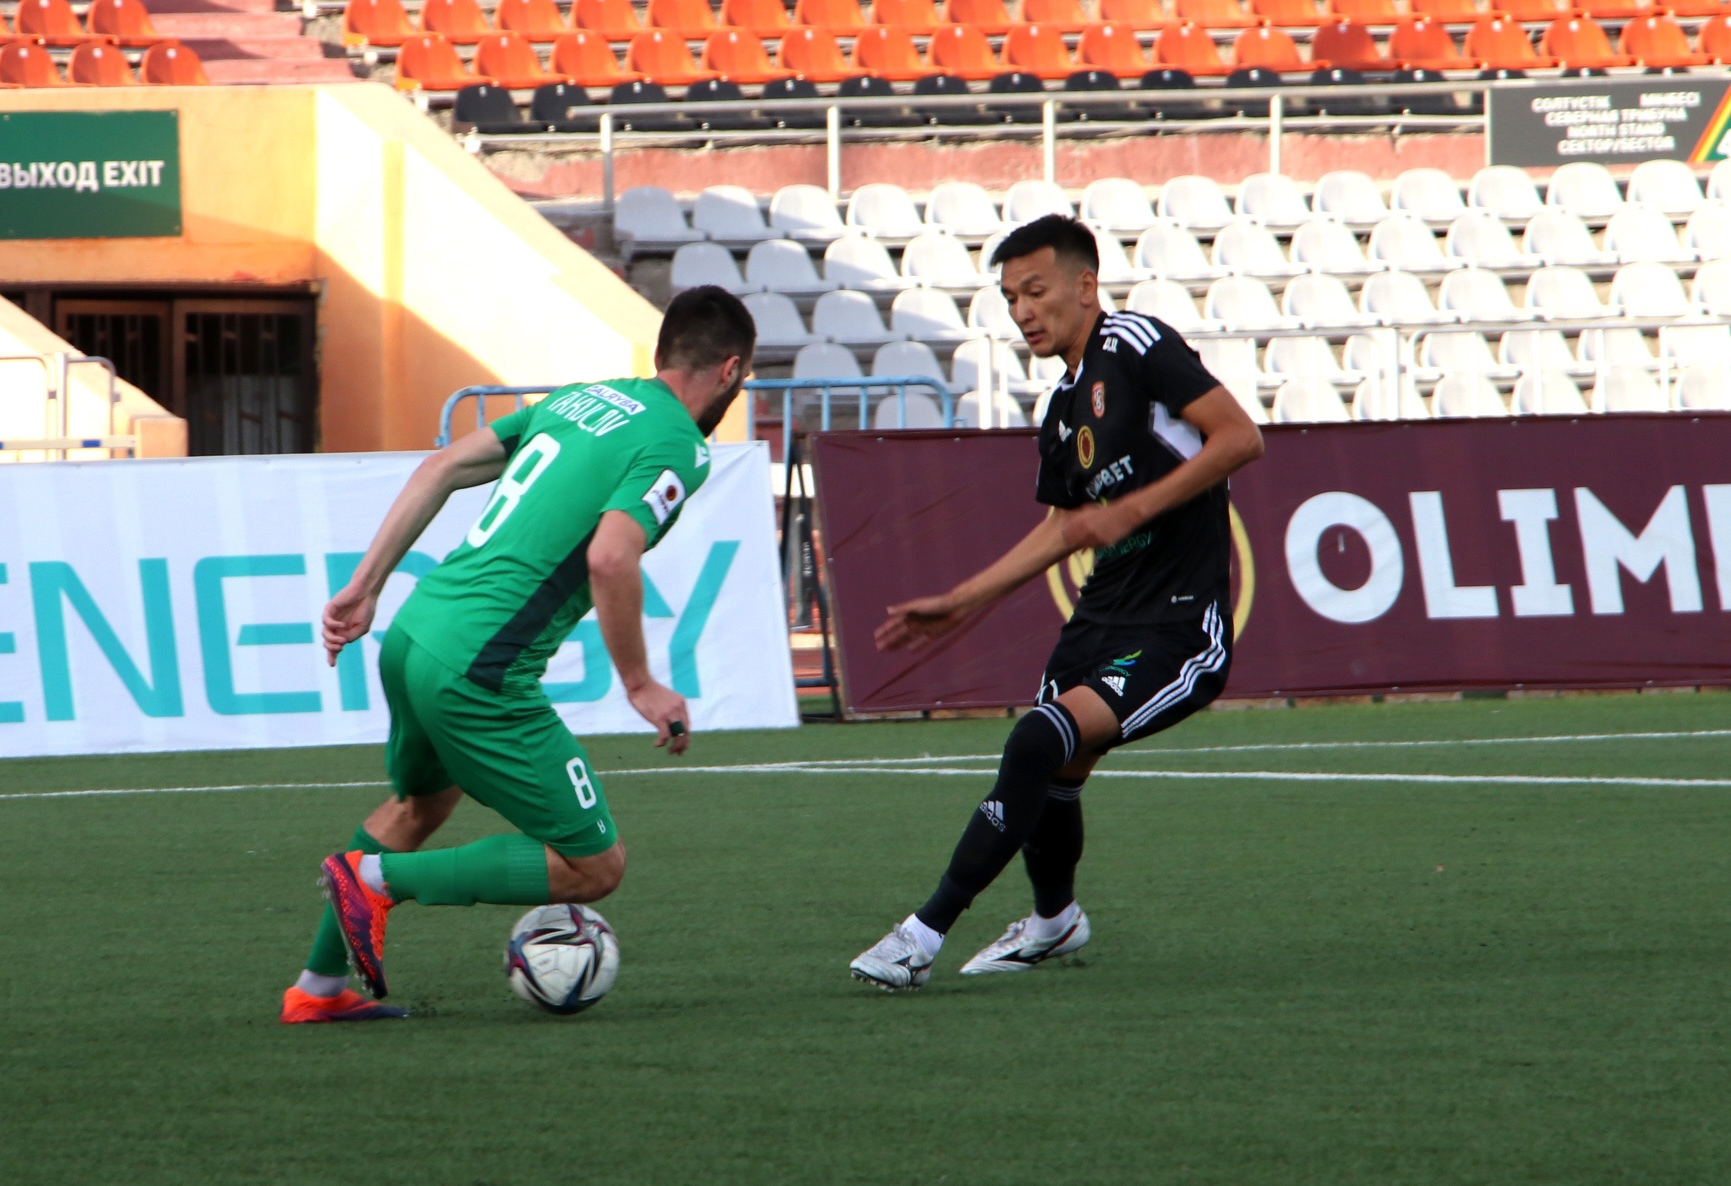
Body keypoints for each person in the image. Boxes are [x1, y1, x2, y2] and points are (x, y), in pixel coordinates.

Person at [283, 286, 755, 1023]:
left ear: (661, 351)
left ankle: (315, 990)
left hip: (414, 632)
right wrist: (640, 684)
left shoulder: (579, 398)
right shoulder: (677, 445)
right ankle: (374, 881)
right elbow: (611, 556)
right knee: (594, 865)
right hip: (480, 670)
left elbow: (439, 467)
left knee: (420, 804)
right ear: (729, 371)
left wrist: (365, 586)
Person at [849, 215, 1265, 991]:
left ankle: (921, 934)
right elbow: (1061, 530)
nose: (1023, 312)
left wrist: (1132, 509)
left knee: (1038, 740)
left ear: (1085, 284)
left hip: (1177, 624)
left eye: (1035, 291)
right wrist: (959, 601)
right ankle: (1054, 920)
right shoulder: (1062, 408)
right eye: (1011, 298)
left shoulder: (1136, 343)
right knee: (1056, 769)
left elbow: (1240, 437)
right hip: (1100, 618)